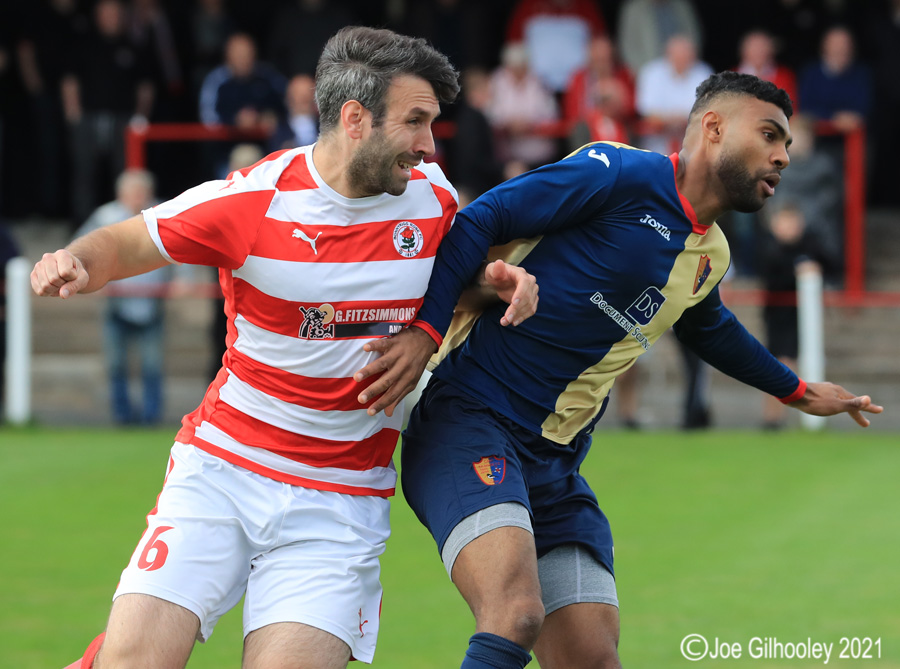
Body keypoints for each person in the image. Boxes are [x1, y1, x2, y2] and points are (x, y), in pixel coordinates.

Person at [32, 26, 537, 669]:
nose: (427, 145)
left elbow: (450, 291)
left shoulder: (433, 197)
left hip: (341, 497)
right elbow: (130, 240)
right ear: (355, 119)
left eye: (432, 123)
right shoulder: (253, 199)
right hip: (224, 471)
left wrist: (488, 288)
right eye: (415, 122)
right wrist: (73, 261)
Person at [353, 72, 882, 668]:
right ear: (713, 128)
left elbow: (709, 328)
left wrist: (798, 390)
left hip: (555, 462)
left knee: (592, 658)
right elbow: (484, 218)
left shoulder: (712, 253)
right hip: (470, 421)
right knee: (515, 614)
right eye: (768, 135)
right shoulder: (619, 172)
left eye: (785, 142)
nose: (783, 155)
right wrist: (425, 333)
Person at [73, 169, 171, 425]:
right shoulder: (105, 216)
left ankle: (151, 417)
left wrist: (183, 281)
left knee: (152, 364)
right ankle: (122, 415)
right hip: (116, 303)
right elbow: (78, 248)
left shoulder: (163, 213)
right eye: (132, 192)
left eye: (141, 191)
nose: (137, 197)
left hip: (152, 303)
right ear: (121, 193)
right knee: (116, 364)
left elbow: (185, 250)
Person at [759, 202, 837, 429]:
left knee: (799, 362)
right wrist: (798, 270)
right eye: (785, 222)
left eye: (793, 222)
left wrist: (812, 267)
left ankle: (799, 417)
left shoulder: (809, 245)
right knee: (779, 363)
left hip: (804, 315)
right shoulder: (769, 248)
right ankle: (773, 418)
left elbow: (832, 263)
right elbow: (773, 277)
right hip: (778, 316)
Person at [634, 34, 713, 154]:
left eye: (686, 54)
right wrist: (682, 120)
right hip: (655, 148)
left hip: (695, 150)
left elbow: (708, 113)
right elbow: (646, 114)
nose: (681, 58)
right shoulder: (651, 72)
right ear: (667, 54)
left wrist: (668, 120)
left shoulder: (703, 72)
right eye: (677, 55)